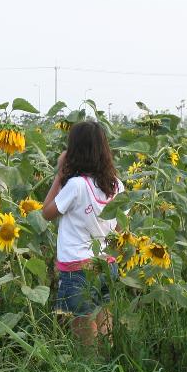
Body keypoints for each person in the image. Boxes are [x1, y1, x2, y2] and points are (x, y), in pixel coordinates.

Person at [42, 120, 124, 344]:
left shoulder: (76, 185)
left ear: (74, 151)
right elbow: (120, 228)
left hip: (77, 270)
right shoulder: (116, 185)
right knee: (105, 331)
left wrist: (60, 174)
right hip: (106, 265)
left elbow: (47, 213)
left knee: (84, 339)